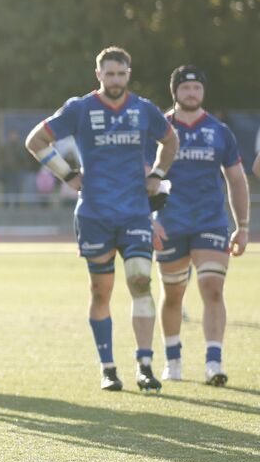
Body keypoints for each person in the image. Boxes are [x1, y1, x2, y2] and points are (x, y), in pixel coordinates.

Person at [25, 47, 178, 393]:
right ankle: (108, 368)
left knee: (140, 280)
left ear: (128, 74)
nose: (116, 80)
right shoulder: (80, 109)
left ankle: (145, 365)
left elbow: (170, 140)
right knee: (100, 291)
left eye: (121, 74)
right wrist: (67, 174)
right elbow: (35, 140)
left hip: (135, 212)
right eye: (109, 74)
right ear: (98, 75)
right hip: (94, 214)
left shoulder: (143, 109)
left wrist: (157, 174)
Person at [156, 66, 248, 385]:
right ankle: (173, 360)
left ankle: (213, 363)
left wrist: (243, 226)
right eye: (186, 88)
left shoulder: (219, 131)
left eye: (197, 88)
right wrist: (149, 220)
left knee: (212, 288)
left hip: (210, 222)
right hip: (170, 223)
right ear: (175, 92)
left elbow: (236, 179)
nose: (192, 93)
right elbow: (144, 176)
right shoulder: (159, 128)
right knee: (173, 294)